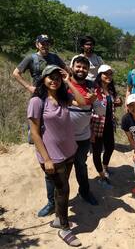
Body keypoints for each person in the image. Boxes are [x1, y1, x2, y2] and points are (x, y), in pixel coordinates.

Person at [28, 65, 86, 246]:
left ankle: (57, 218)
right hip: (52, 156)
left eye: (57, 77)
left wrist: (68, 80)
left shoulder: (62, 97)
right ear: (43, 79)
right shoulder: (37, 101)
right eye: (50, 77)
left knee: (60, 188)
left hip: (69, 151)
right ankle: (64, 228)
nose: (54, 80)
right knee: (63, 190)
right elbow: (35, 133)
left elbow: (82, 102)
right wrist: (46, 159)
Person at [13, 34, 67, 217]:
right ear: (37, 44)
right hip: (39, 100)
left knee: (54, 137)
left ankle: (55, 197)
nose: (45, 45)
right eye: (42, 43)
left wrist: (67, 82)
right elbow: (15, 73)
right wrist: (29, 87)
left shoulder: (54, 57)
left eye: (47, 42)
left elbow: (66, 70)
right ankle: (51, 201)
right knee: (38, 136)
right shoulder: (31, 57)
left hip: (55, 100)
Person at [68, 55, 98, 205]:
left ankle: (85, 192)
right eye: (78, 66)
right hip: (63, 137)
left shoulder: (91, 86)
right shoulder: (63, 84)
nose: (81, 69)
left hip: (83, 136)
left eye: (84, 67)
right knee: (61, 171)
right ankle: (53, 201)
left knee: (81, 165)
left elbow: (98, 108)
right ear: (72, 67)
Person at [91, 64, 122, 188]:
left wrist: (118, 103)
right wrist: (90, 131)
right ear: (100, 75)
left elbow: (110, 105)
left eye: (110, 74)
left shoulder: (110, 90)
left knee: (110, 147)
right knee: (97, 152)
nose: (109, 76)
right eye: (106, 74)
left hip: (109, 125)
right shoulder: (94, 90)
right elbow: (89, 109)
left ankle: (105, 168)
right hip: (97, 126)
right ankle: (102, 177)